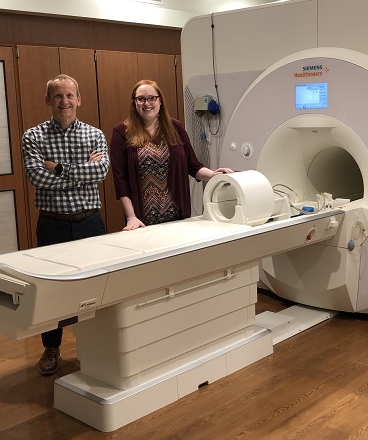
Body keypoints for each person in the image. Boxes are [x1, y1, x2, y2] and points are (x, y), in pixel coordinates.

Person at [21, 74, 110, 376]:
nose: (64, 102)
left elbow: (99, 174)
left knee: (97, 285)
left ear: (79, 99)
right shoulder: (33, 137)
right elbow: (37, 178)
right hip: (53, 225)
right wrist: (81, 170)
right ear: (48, 100)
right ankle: (52, 347)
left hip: (90, 224)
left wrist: (57, 168)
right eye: (58, 96)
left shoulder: (94, 135)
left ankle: (97, 343)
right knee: (52, 290)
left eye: (70, 95)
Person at [110, 79, 232, 230]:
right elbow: (120, 181)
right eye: (140, 99)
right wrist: (131, 217)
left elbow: (192, 165)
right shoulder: (122, 132)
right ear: (134, 103)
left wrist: (214, 175)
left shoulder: (175, 128)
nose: (146, 103)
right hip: (142, 219)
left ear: (160, 101)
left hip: (177, 216)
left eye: (152, 98)